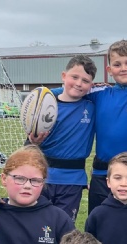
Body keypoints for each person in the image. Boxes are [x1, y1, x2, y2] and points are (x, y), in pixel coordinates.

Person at [53, 40, 127, 214]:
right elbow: (70, 90)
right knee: (99, 221)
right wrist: (43, 94)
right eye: (117, 64)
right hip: (103, 174)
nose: (123, 68)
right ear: (109, 70)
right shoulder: (98, 93)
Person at [30, 55, 96, 221]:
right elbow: (31, 141)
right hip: (42, 176)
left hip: (72, 180)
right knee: (37, 223)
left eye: (85, 81)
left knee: (64, 227)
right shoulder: (45, 106)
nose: (79, 83)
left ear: (91, 85)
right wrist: (33, 142)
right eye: (74, 77)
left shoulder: (91, 105)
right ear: (63, 76)